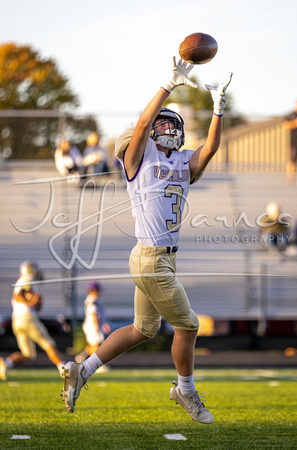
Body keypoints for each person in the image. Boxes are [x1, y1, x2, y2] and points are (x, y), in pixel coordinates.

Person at [60, 57, 232, 423]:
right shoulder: (138, 160)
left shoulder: (184, 162)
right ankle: (185, 391)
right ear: (149, 133)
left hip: (157, 258)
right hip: (152, 258)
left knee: (144, 329)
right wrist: (168, 84)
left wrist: (217, 109)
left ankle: (83, 370)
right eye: (163, 122)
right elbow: (141, 123)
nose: (169, 126)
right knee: (189, 326)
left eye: (174, 122)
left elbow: (210, 149)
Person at [0, 261, 65, 381]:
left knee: (28, 354)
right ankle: (64, 369)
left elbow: (33, 304)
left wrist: (37, 302)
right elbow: (18, 296)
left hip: (17, 320)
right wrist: (32, 302)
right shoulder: (28, 278)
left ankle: (6, 363)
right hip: (27, 318)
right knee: (48, 343)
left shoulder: (21, 282)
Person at [75, 281, 111, 365]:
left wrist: (104, 324)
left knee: (95, 344)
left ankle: (81, 357)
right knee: (96, 345)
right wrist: (97, 326)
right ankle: (94, 364)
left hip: (95, 324)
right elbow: (93, 314)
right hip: (92, 325)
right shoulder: (92, 301)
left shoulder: (95, 300)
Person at [282, 100, 297, 183]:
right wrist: (296, 123)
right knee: (292, 161)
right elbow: (285, 126)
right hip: (294, 143)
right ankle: (290, 177)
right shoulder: (291, 115)